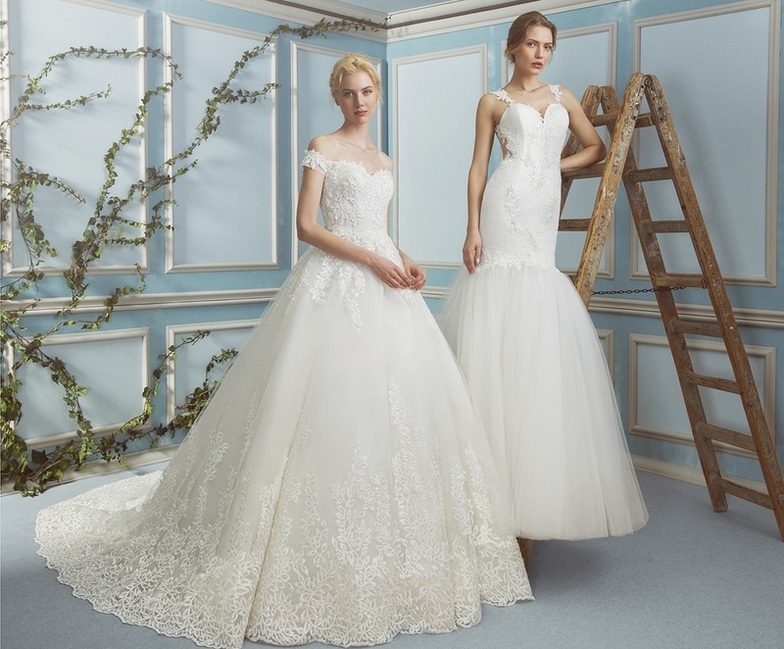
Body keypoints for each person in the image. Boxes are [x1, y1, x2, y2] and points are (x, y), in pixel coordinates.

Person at [35, 53, 531, 649]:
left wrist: (402, 257)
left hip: (386, 282)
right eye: (348, 93)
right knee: (323, 406)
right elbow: (307, 227)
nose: (359, 102)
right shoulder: (323, 147)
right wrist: (372, 260)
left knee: (397, 410)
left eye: (367, 91)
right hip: (335, 283)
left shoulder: (384, 160)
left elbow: (376, 227)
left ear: (377, 94)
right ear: (336, 98)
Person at [440, 13, 649, 555]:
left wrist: (555, 168)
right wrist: (471, 228)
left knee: (536, 299)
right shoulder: (493, 102)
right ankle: (489, 494)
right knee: (500, 300)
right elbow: (478, 168)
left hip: (540, 210)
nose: (540, 54)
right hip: (504, 204)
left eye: (548, 46)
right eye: (531, 44)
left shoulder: (563, 97)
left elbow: (596, 148)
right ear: (513, 48)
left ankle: (529, 492)